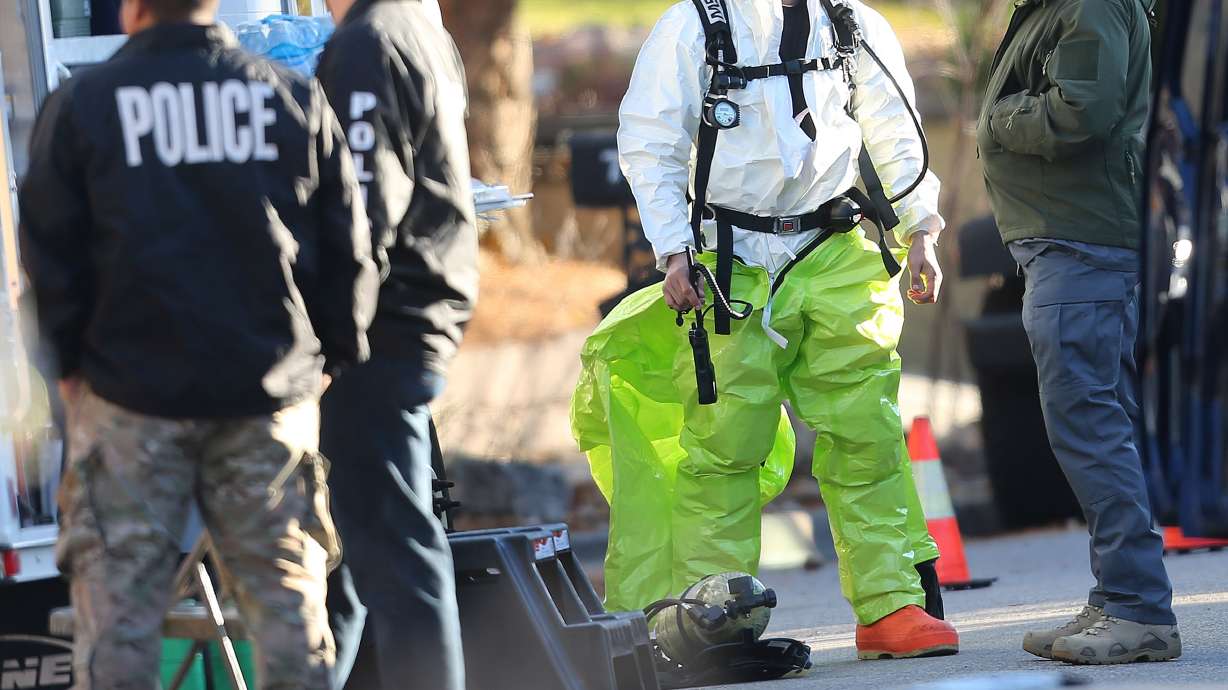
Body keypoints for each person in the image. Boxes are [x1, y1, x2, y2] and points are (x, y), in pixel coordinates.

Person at [571, 0, 959, 660]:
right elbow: (651, 140)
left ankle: (891, 604)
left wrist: (919, 229)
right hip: (731, 261)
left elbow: (895, 130)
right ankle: (709, 619)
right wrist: (672, 250)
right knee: (725, 445)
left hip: (832, 246)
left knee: (866, 430)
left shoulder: (850, 24)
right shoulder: (692, 28)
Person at [18, 0, 378, 687]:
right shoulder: (290, 96)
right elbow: (349, 246)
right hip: (266, 395)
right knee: (288, 617)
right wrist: (332, 356)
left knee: (120, 616)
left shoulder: (84, 103)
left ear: (132, 8)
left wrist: (67, 368)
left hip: (129, 400)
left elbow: (48, 255)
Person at [978, 0, 1181, 665]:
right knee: (1093, 423)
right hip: (1069, 241)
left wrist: (997, 117)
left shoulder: (1089, 4)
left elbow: (1078, 113)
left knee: (1090, 425)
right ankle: (1117, 595)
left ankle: (1138, 609)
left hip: (1081, 243)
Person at [315, 1, 478, 688]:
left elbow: (360, 207)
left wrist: (329, 338)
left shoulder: (365, 44)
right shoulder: (416, 27)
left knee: (398, 555)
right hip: (413, 313)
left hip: (381, 325)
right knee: (360, 556)